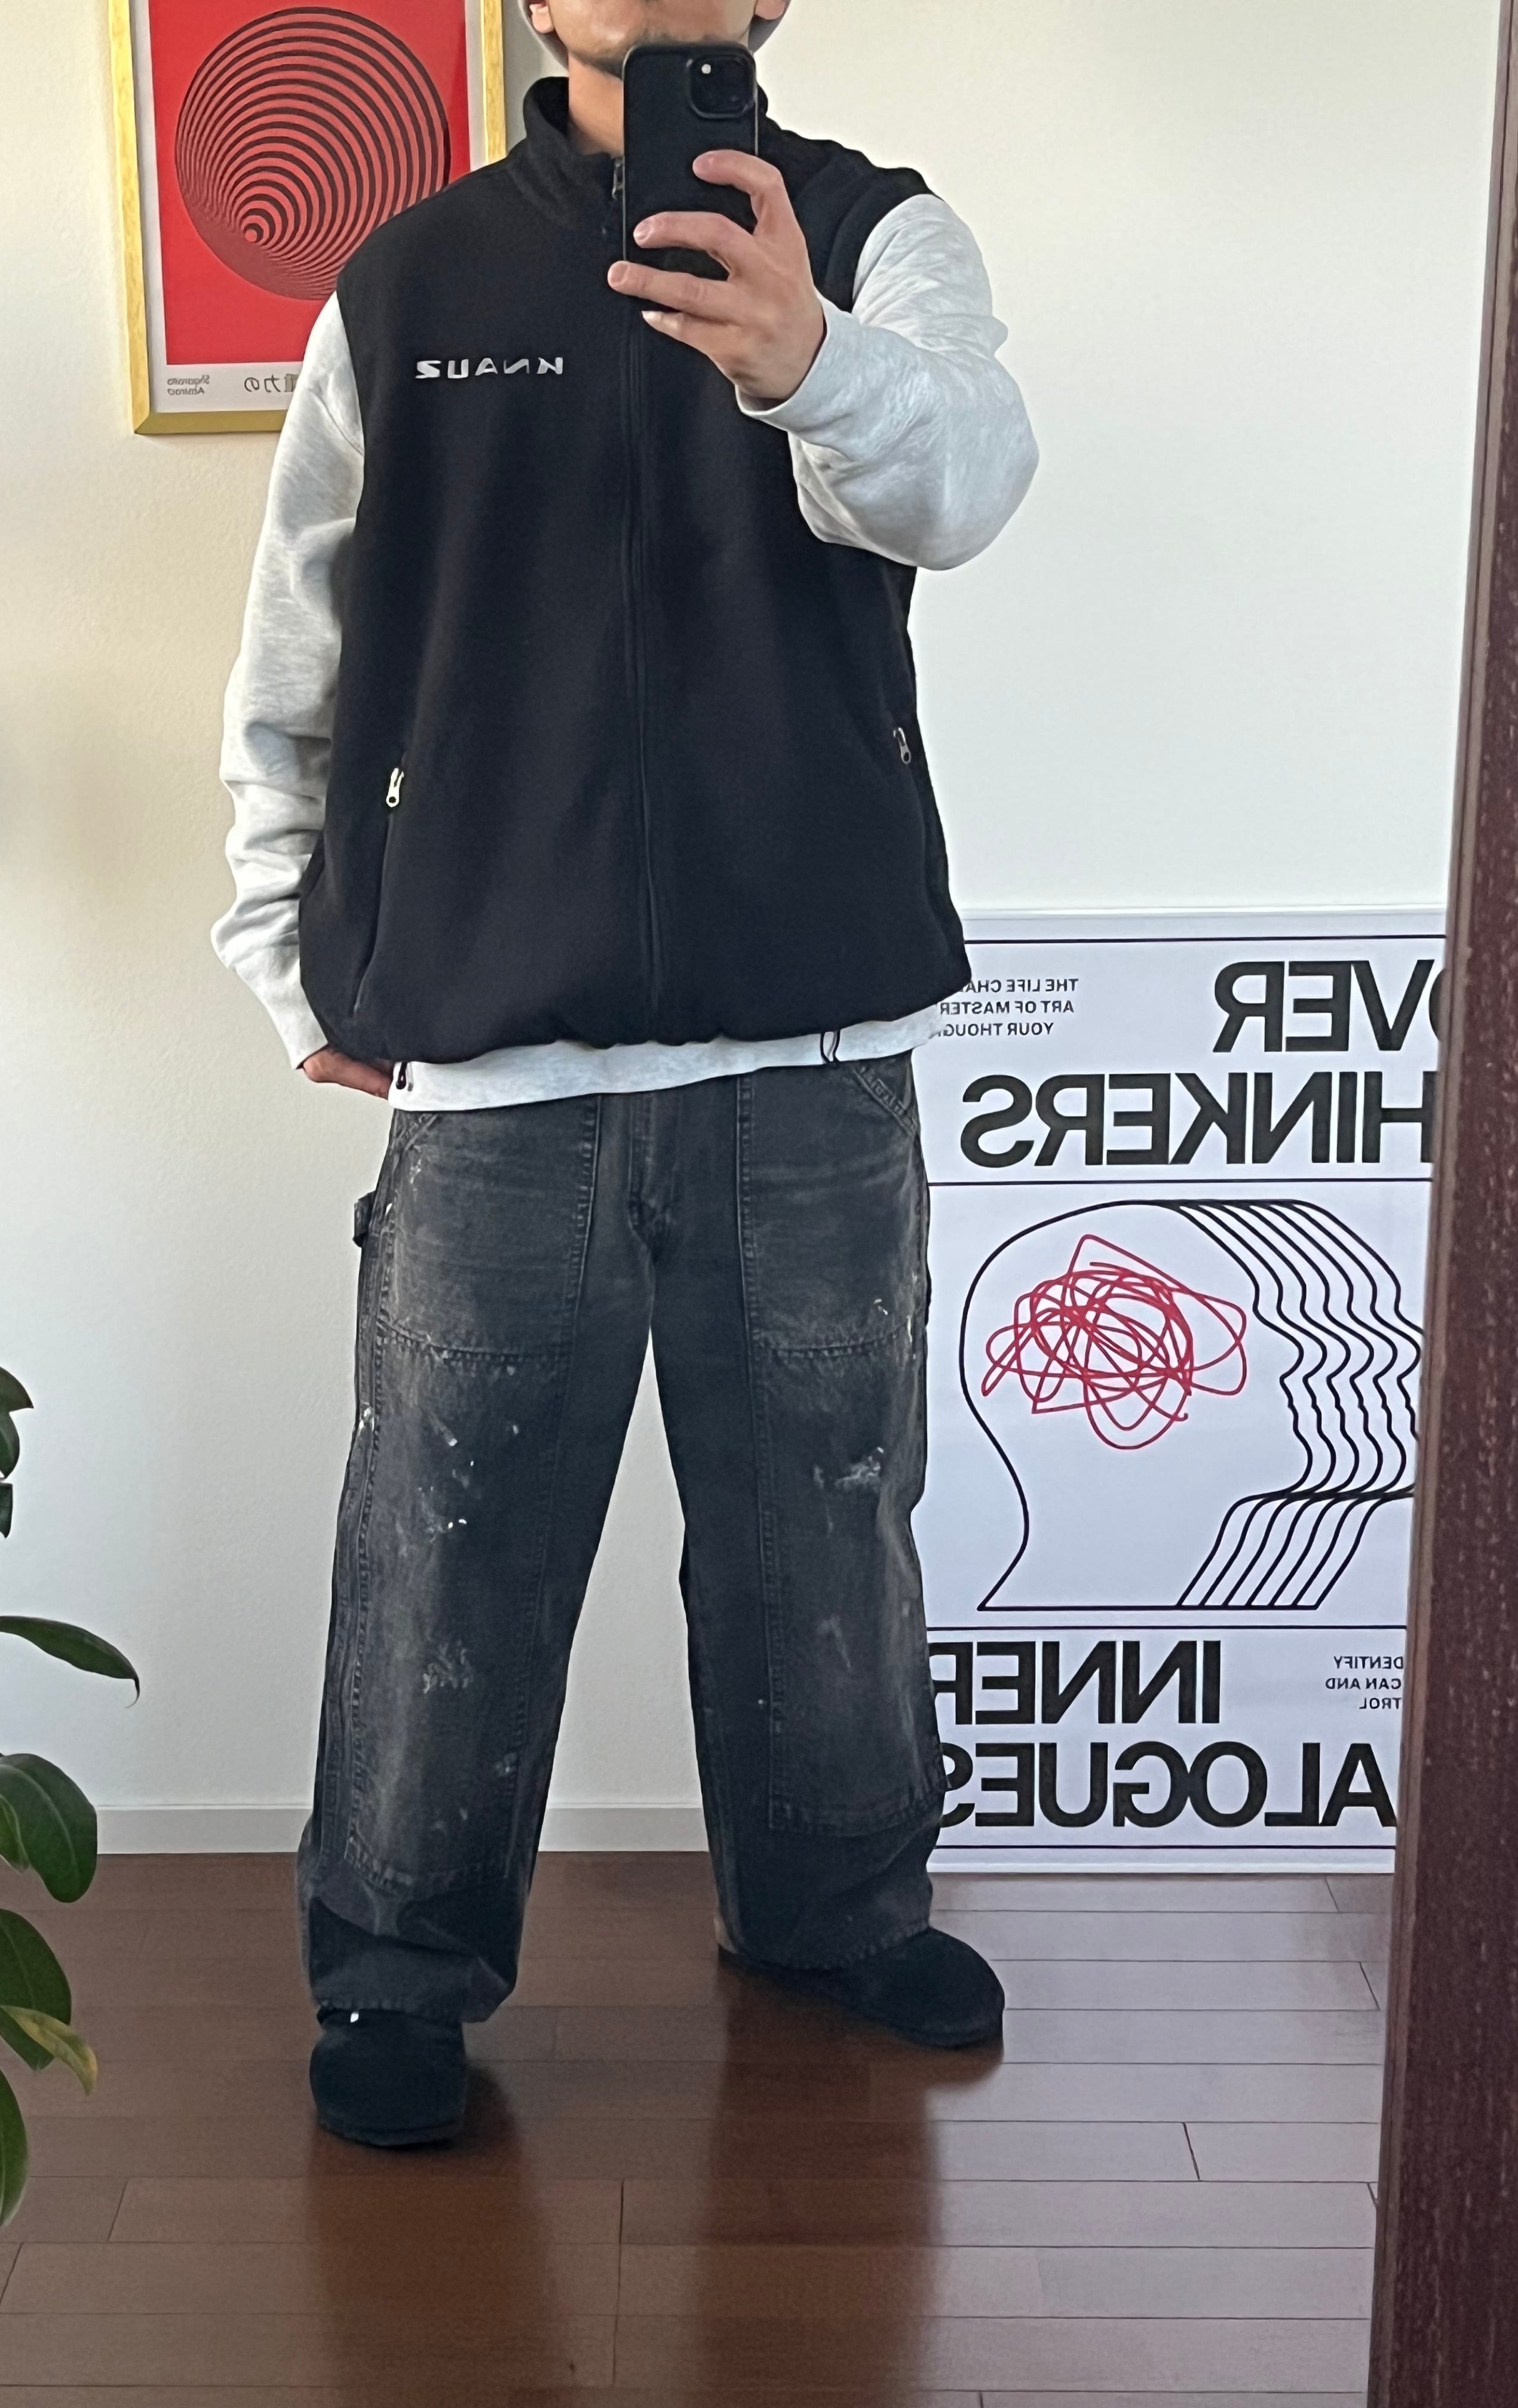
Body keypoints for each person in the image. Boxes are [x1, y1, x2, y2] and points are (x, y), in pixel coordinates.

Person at [212, 0, 1038, 2149]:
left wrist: (808, 357)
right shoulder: (409, 280)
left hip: (810, 1025)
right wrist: (288, 947)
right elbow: (305, 632)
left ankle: (838, 1909)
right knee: (448, 1532)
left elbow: (964, 483)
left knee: (826, 1517)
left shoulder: (873, 233)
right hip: (494, 1043)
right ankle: (397, 1971)